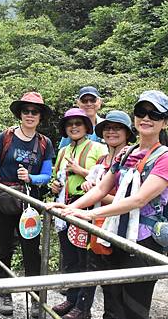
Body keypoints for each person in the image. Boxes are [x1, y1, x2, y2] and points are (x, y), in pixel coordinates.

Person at [48, 90, 168, 319]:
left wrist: (92, 214)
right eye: (141, 112)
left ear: (164, 122)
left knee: (134, 307)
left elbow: (138, 200)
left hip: (143, 242)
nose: (146, 118)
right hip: (115, 235)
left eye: (155, 114)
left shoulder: (166, 158)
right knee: (112, 303)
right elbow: (101, 188)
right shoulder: (126, 153)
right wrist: (71, 208)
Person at [57, 110, 136, 319]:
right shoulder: (104, 158)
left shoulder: (130, 158)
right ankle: (79, 305)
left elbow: (127, 198)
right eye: (108, 128)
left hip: (116, 224)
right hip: (93, 217)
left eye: (117, 128)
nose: (111, 132)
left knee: (107, 278)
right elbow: (99, 189)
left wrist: (93, 194)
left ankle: (83, 309)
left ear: (127, 133)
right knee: (84, 262)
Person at [0, 91, 55, 317]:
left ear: (40, 116)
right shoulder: (5, 137)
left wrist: (31, 178)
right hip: (2, 201)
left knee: (31, 252)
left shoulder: (44, 143)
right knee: (3, 248)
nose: (30, 115)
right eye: (26, 111)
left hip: (29, 203)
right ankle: (5, 293)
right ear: (20, 114)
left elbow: (47, 175)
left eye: (35, 112)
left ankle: (35, 297)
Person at [50, 108, 107, 317]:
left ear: (86, 127)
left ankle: (83, 308)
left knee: (86, 260)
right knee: (70, 258)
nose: (74, 127)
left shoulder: (98, 148)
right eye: (70, 124)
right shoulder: (64, 151)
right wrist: (54, 186)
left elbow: (105, 180)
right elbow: (57, 176)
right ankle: (71, 299)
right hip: (64, 207)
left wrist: (80, 171)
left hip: (86, 208)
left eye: (78, 123)